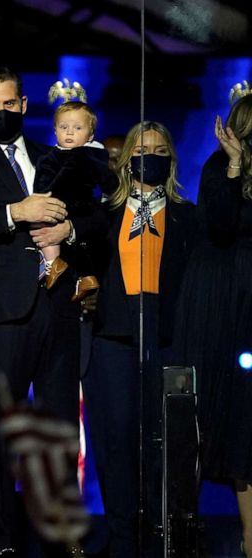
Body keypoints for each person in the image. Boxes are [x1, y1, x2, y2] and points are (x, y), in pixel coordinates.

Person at [0, 66, 104, 557]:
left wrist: (66, 232)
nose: (1, 112)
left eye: (9, 103)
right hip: (2, 310)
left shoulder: (53, 154)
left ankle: (62, 535)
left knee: (59, 425)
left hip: (58, 302)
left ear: (25, 104)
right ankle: (2, 543)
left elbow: (94, 214)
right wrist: (18, 213)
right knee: (1, 429)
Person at [82, 120, 195, 558]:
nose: (152, 154)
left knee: (167, 442)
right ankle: (123, 538)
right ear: (127, 159)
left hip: (167, 339)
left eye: (161, 148)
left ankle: (165, 536)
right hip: (113, 338)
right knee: (117, 441)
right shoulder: (105, 215)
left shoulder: (188, 216)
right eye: (144, 148)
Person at [174, 95, 252, 557]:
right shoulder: (218, 168)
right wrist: (236, 165)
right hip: (231, 308)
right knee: (232, 423)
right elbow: (219, 228)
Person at [33, 101, 112, 299]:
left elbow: (44, 184)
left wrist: (41, 196)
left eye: (78, 128)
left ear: (90, 135)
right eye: (64, 127)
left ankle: (53, 263)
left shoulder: (66, 157)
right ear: (55, 130)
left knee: (43, 226)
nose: (69, 133)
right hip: (76, 207)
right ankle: (86, 276)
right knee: (75, 244)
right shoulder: (93, 156)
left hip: (71, 206)